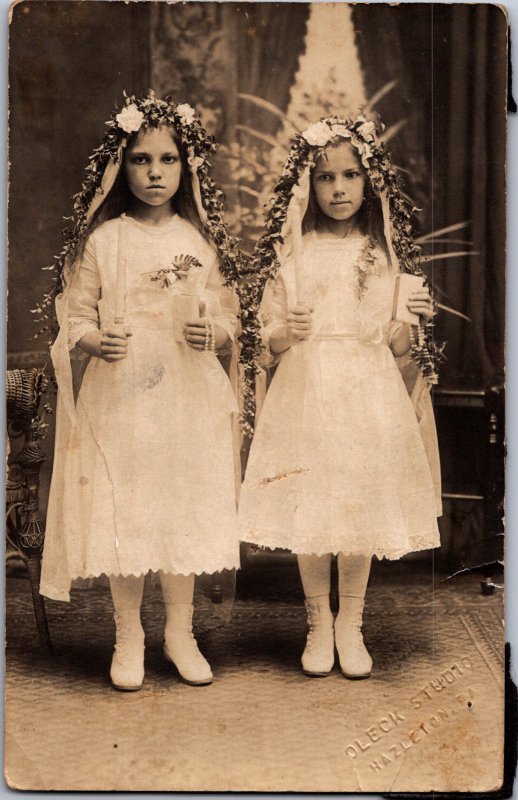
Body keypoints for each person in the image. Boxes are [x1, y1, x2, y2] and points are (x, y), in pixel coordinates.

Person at [40, 92, 244, 691]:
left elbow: (232, 318)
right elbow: (73, 318)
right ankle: (128, 633)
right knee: (126, 506)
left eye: (168, 160)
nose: (155, 173)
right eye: (140, 160)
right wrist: (94, 340)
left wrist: (216, 332)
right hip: (124, 388)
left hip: (186, 388)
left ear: (187, 168)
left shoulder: (201, 241)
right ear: (120, 167)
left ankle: (179, 632)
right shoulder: (106, 241)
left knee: (179, 506)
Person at [238, 115, 442, 679]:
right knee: (312, 501)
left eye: (351, 176)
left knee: (356, 502)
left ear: (369, 181)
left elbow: (398, 347)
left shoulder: (382, 254)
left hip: (365, 386)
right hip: (306, 386)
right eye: (326, 177)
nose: (338, 189)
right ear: (307, 185)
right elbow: (264, 342)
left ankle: (350, 621)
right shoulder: (292, 254)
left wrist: (412, 320)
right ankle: (316, 623)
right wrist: (287, 331)